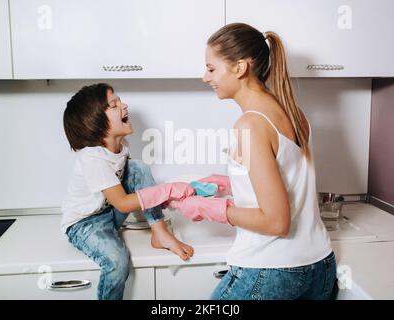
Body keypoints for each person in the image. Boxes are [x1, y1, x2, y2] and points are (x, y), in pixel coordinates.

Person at [168, 23, 337, 300]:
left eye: (211, 68)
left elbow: (276, 222)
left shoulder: (249, 125)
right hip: (319, 266)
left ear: (240, 67)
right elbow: (285, 177)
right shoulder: (294, 112)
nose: (205, 77)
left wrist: (211, 208)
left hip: (272, 270)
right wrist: (228, 183)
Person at [61, 83, 195, 300]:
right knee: (116, 262)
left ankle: (159, 232)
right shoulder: (93, 158)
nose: (124, 106)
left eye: (119, 101)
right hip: (85, 224)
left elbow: (134, 183)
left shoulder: (120, 149)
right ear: (95, 122)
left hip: (108, 214)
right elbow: (123, 203)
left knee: (138, 168)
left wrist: (164, 194)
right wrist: (166, 191)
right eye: (114, 105)